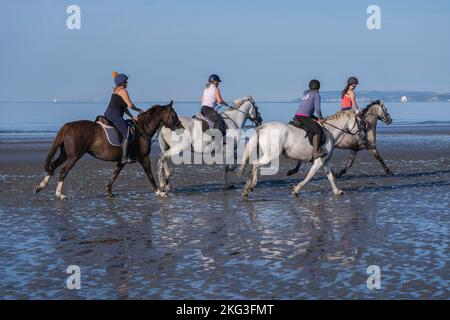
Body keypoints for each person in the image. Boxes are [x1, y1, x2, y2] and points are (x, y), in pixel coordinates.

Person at [104, 71, 144, 163]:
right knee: (127, 133)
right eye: (126, 81)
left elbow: (124, 107)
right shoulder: (123, 91)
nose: (127, 83)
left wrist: (132, 116)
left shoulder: (115, 90)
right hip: (115, 116)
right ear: (122, 83)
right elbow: (129, 105)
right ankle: (125, 157)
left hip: (108, 114)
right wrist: (137, 109)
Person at [294, 79, 327, 160]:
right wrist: (321, 118)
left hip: (298, 115)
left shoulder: (306, 93)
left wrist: (316, 118)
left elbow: (307, 110)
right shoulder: (316, 95)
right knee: (318, 131)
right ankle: (316, 152)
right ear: (318, 87)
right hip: (304, 117)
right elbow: (318, 109)